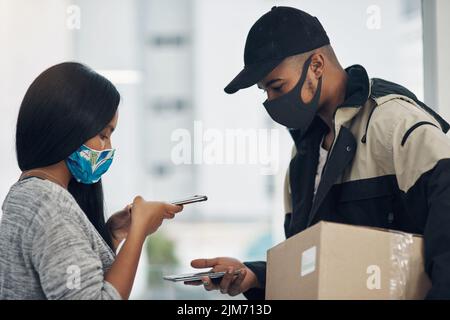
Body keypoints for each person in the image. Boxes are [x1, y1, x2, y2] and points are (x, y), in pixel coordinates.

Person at [187, 6, 450, 299]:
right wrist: (256, 277)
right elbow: (315, 266)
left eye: (276, 86)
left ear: (316, 66)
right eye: (265, 92)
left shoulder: (397, 126)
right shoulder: (300, 162)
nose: (271, 101)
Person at [0, 62, 183, 299]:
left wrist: (113, 235)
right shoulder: (50, 203)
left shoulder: (28, 194)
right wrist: (139, 231)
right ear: (69, 127)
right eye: (103, 135)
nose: (108, 148)